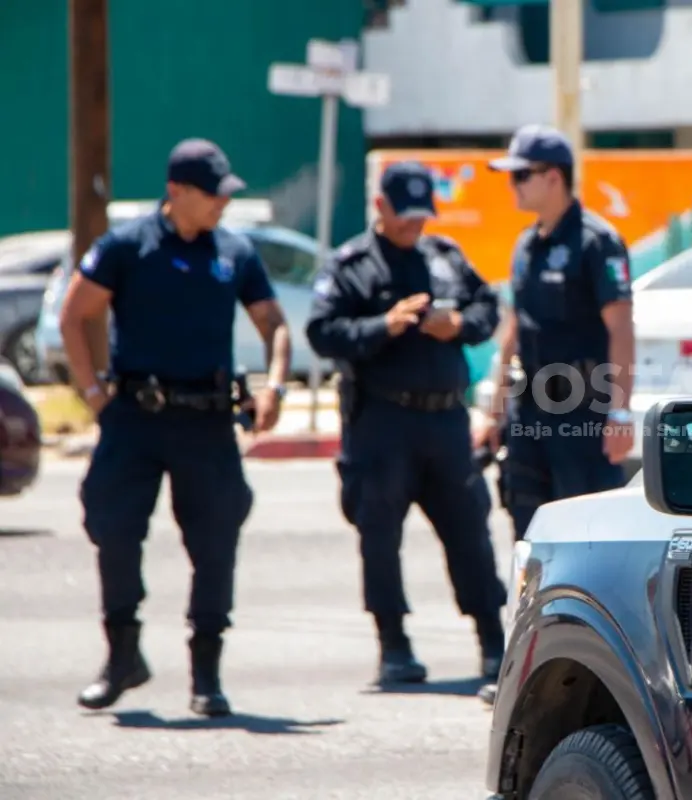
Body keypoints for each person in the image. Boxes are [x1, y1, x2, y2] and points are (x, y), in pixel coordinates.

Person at [59, 138, 292, 717]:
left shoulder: (234, 251)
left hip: (208, 422)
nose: (222, 204)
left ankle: (206, 676)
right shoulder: (127, 246)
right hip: (134, 418)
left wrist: (276, 385)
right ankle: (122, 656)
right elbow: (74, 314)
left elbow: (274, 324)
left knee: (215, 543)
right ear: (177, 192)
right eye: (213, 194)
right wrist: (93, 394)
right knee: (113, 529)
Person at [305, 161, 508, 687]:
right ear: (380, 207)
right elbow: (322, 331)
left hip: (444, 420)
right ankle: (393, 646)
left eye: (422, 216)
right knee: (379, 536)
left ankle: (492, 641)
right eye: (405, 216)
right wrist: (384, 326)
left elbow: (488, 305)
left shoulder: (443, 257)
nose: (414, 226)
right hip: (382, 422)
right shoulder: (351, 265)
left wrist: (459, 325)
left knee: (470, 533)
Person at [473, 124, 637, 704]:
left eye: (520, 176)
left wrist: (620, 410)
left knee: (589, 546)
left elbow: (620, 326)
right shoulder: (526, 244)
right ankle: (524, 671)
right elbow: (515, 327)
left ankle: (598, 676)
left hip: (583, 415)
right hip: (532, 414)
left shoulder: (597, 242)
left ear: (553, 177)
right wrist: (493, 403)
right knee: (529, 541)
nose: (512, 186)